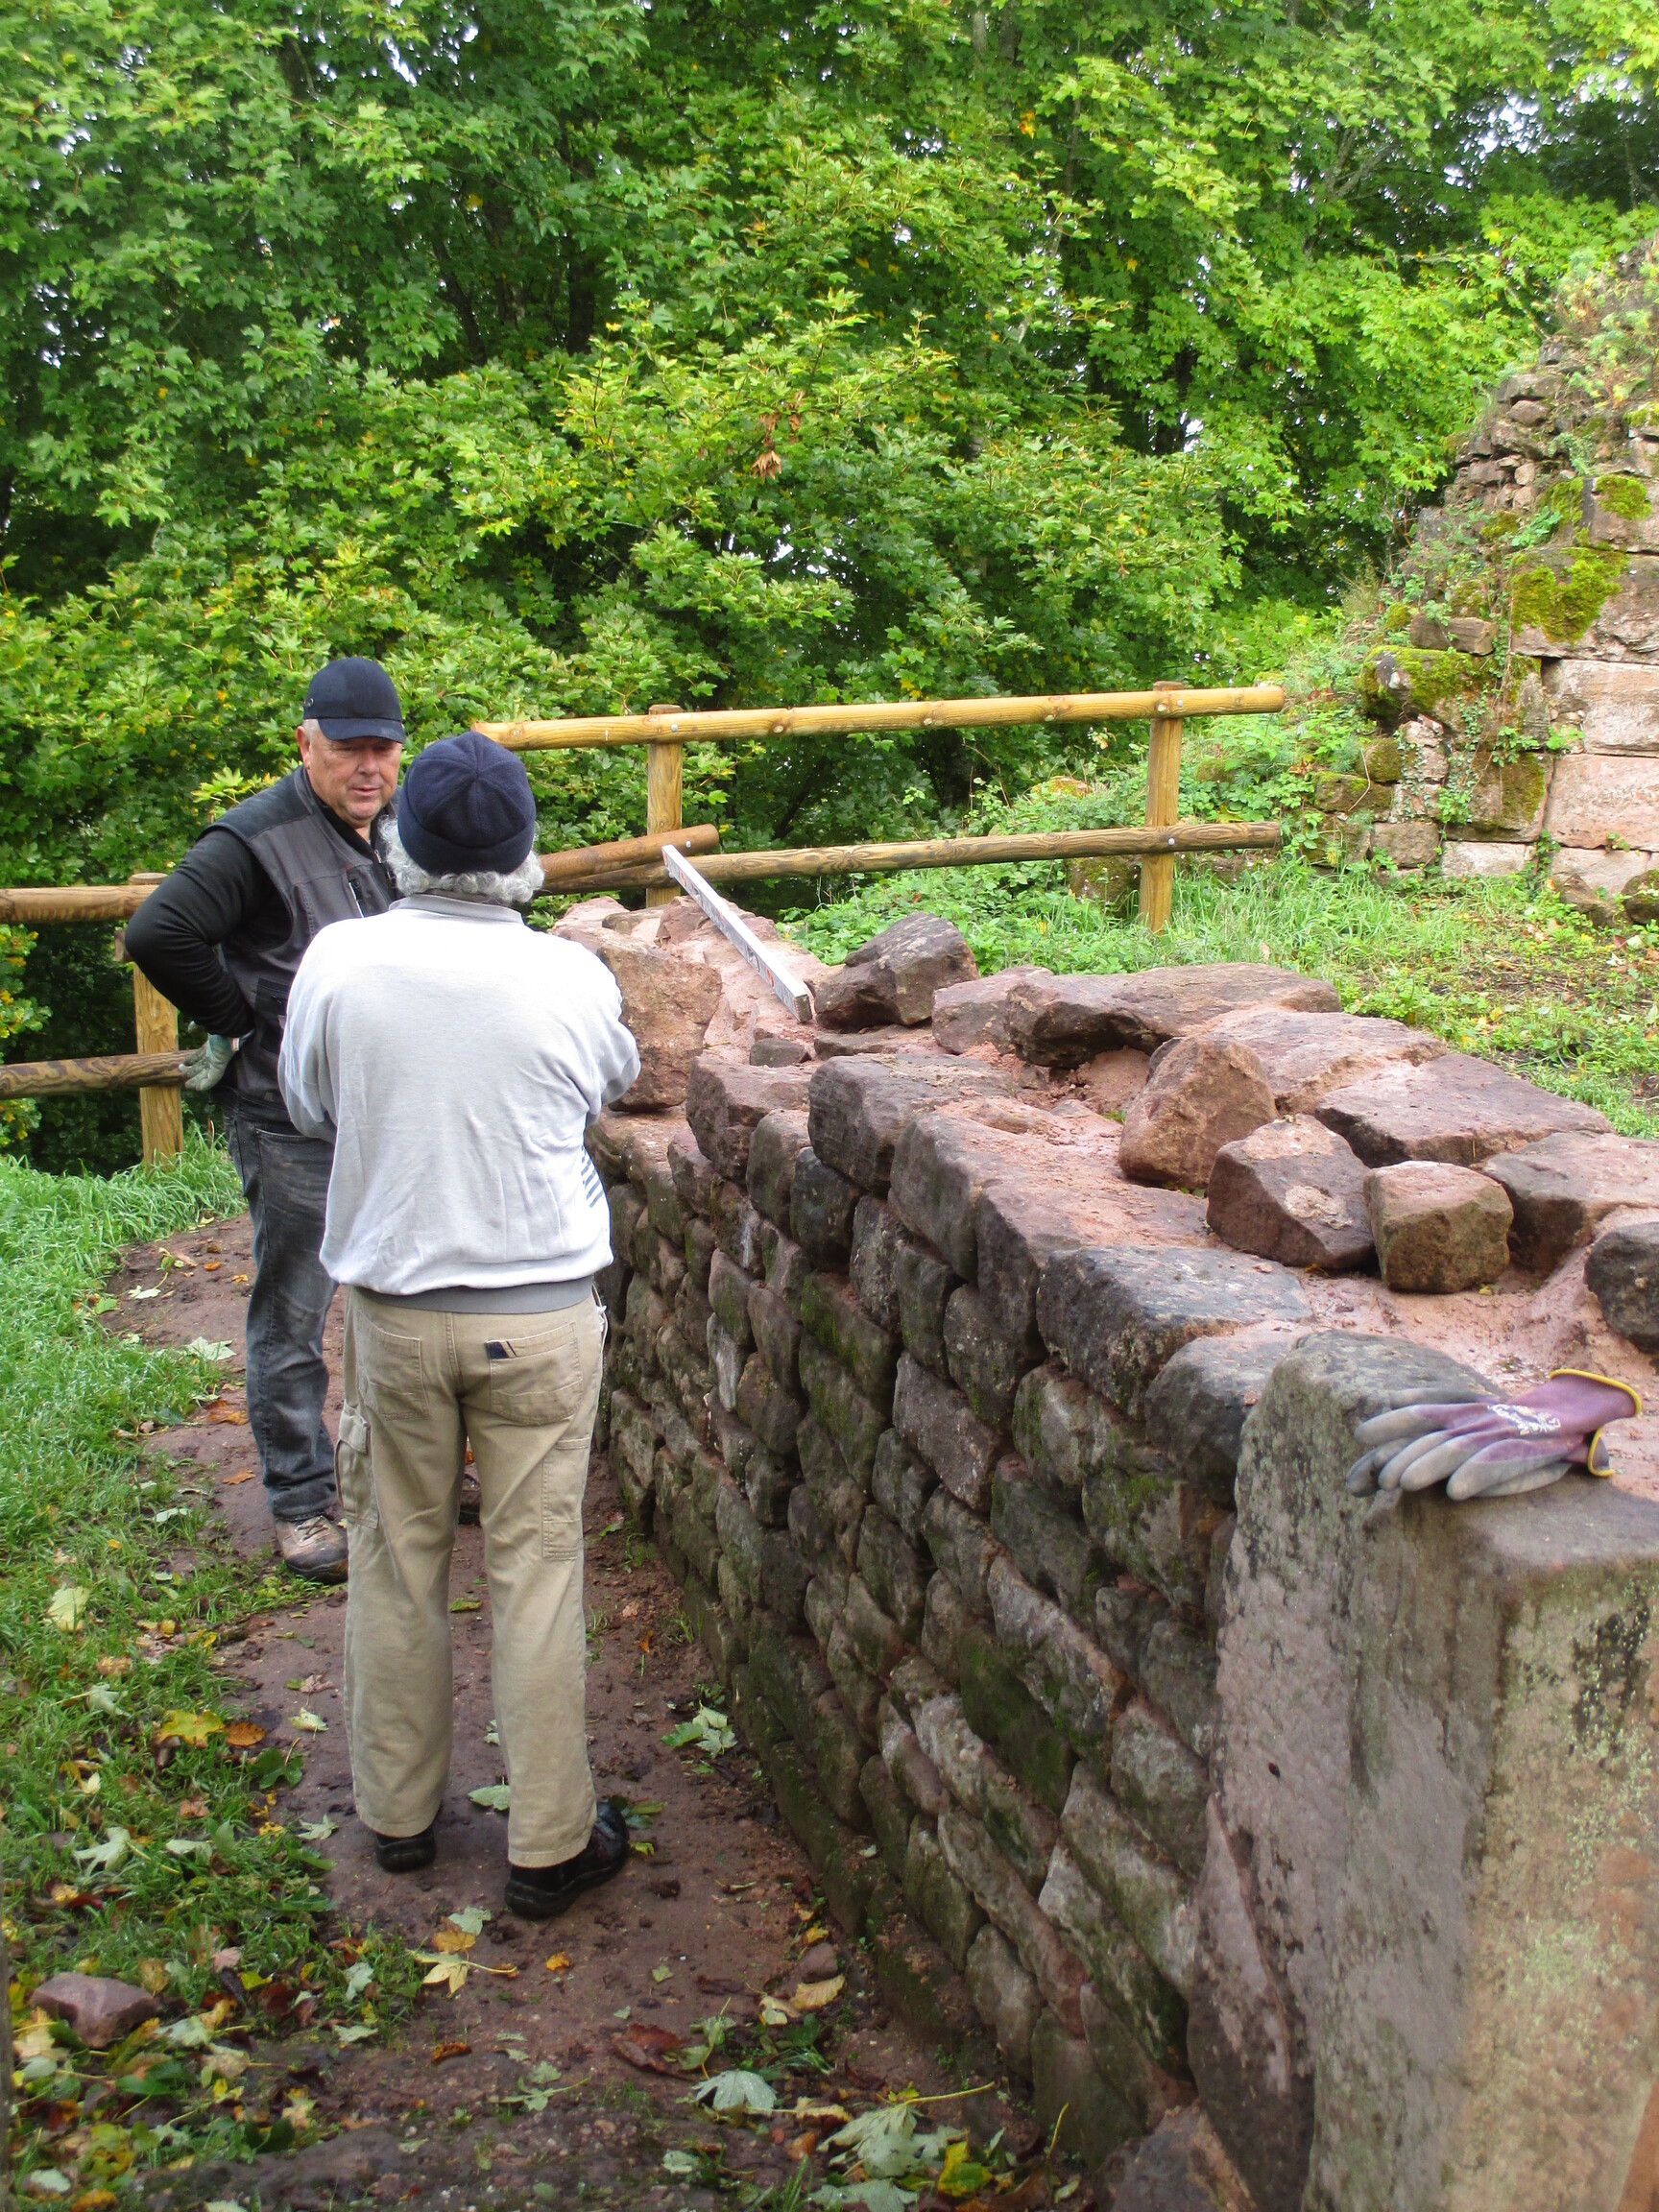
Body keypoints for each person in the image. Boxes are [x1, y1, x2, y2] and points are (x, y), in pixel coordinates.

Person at [277, 732, 641, 1915]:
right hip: (540, 1309)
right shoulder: (571, 975)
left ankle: (397, 1817)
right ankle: (548, 1842)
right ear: (523, 850)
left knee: (395, 1559)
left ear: (407, 841)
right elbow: (609, 1083)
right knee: (538, 1569)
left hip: (395, 1307)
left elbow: (308, 1102)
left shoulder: (340, 960)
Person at [126, 658, 405, 1583]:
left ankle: (402, 1472)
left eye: (384, 750)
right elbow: (158, 932)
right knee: (295, 1309)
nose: (369, 768)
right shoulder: (252, 839)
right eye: (349, 749)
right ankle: (301, 1501)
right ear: (305, 744)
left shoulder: (397, 827)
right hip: (288, 1115)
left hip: (387, 1106)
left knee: (400, 1291)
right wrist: (242, 1018)